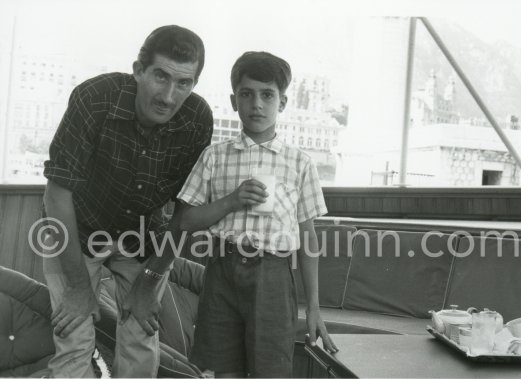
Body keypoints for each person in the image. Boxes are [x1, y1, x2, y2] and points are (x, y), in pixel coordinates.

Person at [42, 25, 213, 378]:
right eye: (160, 76)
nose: (168, 96)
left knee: (140, 338)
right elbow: (57, 196)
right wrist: (77, 288)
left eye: (184, 83)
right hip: (76, 230)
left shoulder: (197, 119)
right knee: (73, 338)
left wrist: (149, 284)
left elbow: (184, 213)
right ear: (138, 70)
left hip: (144, 235)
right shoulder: (94, 99)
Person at [170, 51, 338, 377]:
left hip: (273, 276)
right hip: (220, 273)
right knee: (221, 371)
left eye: (267, 95)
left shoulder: (300, 163)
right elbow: (185, 221)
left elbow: (309, 238)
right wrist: (231, 201)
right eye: (246, 94)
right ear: (234, 101)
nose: (256, 104)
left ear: (283, 102)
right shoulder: (215, 156)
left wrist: (314, 309)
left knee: (270, 371)